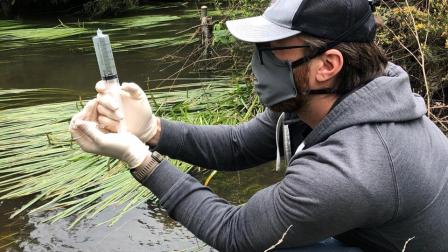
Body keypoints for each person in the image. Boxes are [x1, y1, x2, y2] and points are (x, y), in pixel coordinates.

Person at [69, 0, 448, 251]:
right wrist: (152, 130)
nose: (255, 65)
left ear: (327, 64)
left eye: (269, 52)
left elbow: (234, 232)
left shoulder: (351, 170)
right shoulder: (346, 91)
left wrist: (140, 159)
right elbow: (238, 145)